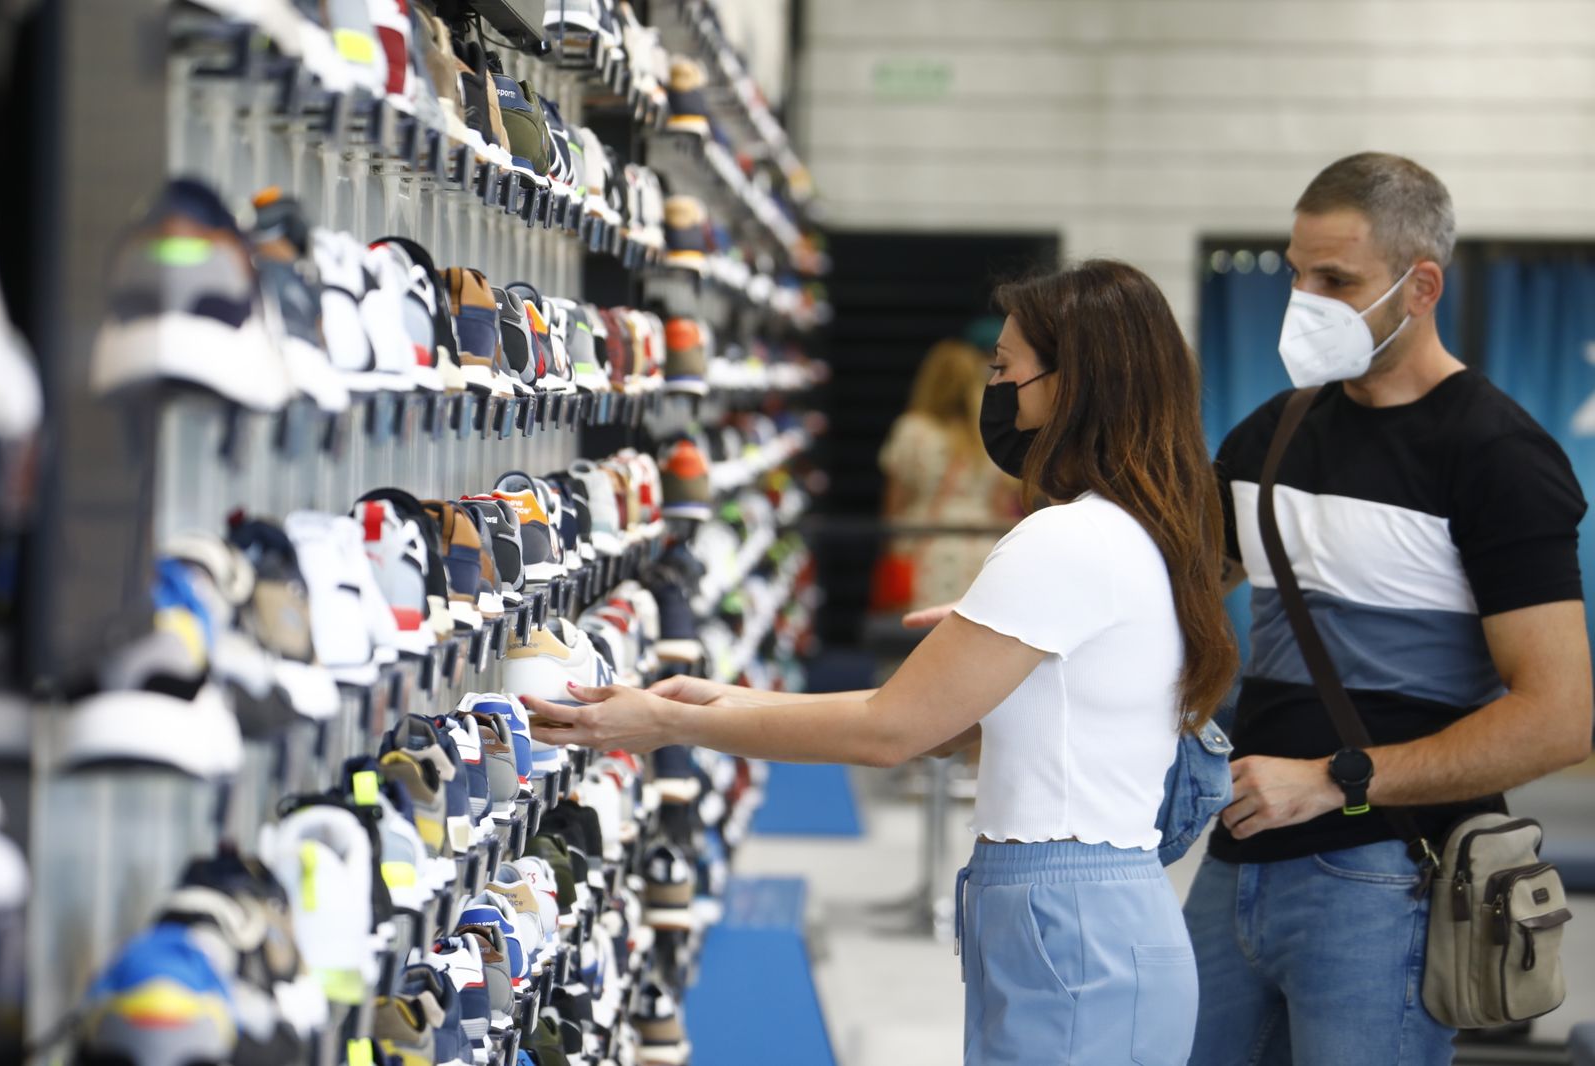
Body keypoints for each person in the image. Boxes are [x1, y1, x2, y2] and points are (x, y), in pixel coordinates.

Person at [524, 260, 1240, 1065]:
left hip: (1068, 917)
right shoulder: (1135, 532)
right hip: (1077, 914)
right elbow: (933, 724)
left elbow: (890, 733)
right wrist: (714, 703)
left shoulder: (1072, 540)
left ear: (1071, 384)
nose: (994, 389)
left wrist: (667, 722)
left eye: (1006, 369)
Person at [1183, 152, 1593, 1064]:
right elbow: (1173, 596)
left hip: (1388, 878)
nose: (1306, 299)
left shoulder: (1498, 456)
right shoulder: (1271, 432)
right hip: (1234, 864)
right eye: (1298, 274)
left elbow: (1559, 719)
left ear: (1421, 285)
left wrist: (1340, 780)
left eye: (1337, 279)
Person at [878, 339, 1020, 613]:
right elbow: (1002, 504)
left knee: (914, 640)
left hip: (921, 547)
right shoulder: (989, 435)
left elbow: (894, 505)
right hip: (982, 548)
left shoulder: (912, 430)